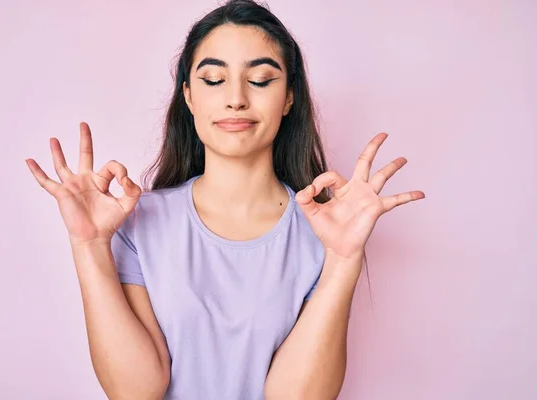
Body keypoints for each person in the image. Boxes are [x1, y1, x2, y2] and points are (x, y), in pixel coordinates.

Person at [25, 0, 425, 398]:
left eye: (262, 80)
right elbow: (135, 391)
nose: (236, 98)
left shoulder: (325, 231)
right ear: (188, 97)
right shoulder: (137, 222)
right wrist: (89, 245)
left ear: (288, 98)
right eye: (214, 80)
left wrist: (343, 260)